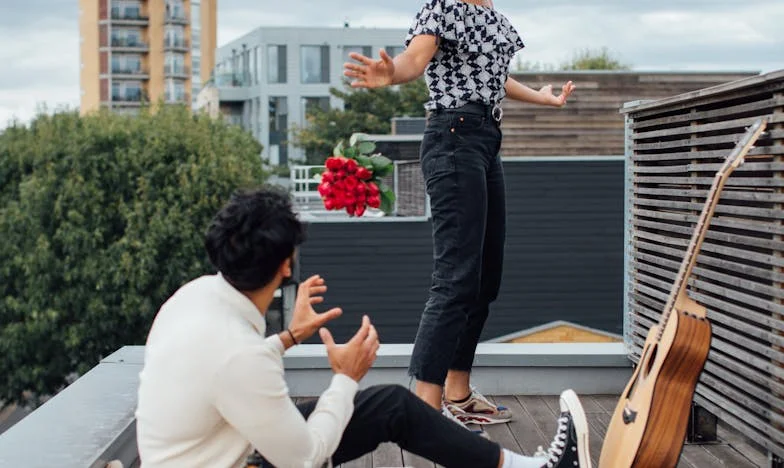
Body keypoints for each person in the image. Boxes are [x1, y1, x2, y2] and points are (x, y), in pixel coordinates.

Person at [134, 187, 592, 468]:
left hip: (226, 447)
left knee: (393, 404)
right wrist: (344, 379)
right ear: (287, 264)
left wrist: (289, 338)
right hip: (249, 457)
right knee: (363, 411)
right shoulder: (238, 354)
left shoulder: (191, 298)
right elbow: (306, 458)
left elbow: (225, 375)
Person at [342, 0, 577, 425]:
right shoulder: (443, 7)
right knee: (455, 278)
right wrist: (390, 73)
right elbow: (414, 59)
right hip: (452, 138)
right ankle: (425, 412)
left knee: (486, 278)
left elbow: (495, 78)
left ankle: (458, 393)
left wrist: (543, 99)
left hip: (486, 142)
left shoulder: (494, 17)